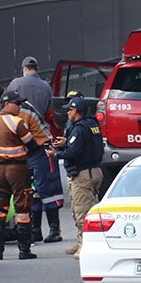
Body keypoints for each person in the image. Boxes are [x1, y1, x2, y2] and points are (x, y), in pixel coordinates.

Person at [0, 86, 64, 243]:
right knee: (32, 191)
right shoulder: (8, 117)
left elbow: (27, 140)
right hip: (28, 153)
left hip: (40, 148)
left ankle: (54, 229)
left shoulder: (19, 114)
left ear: (4, 103)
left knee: (48, 188)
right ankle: (35, 231)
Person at [0, 90, 43, 260]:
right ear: (7, 103)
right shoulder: (17, 122)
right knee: (22, 206)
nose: (20, 107)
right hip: (17, 169)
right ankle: (24, 250)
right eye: (17, 104)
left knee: (0, 207)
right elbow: (31, 145)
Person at [46, 96, 103, 260]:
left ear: (76, 111)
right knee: (81, 210)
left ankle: (86, 246)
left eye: (69, 109)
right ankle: (81, 242)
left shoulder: (79, 128)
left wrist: (55, 154)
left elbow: (74, 152)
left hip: (83, 175)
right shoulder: (91, 124)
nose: (68, 112)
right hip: (93, 172)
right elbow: (84, 145)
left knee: (83, 212)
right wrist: (67, 142)